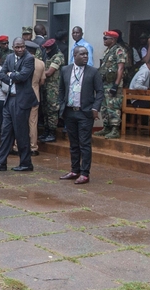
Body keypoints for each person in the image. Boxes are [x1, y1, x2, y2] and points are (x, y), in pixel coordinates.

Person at [0, 37, 37, 172]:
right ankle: (1, 162)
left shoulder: (29, 58)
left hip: (22, 100)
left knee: (21, 132)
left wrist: (11, 74)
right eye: (17, 47)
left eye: (22, 47)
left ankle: (26, 163)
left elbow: (23, 77)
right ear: (13, 47)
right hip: (9, 99)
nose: (20, 49)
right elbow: (1, 75)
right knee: (5, 132)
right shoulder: (9, 58)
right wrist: (13, 75)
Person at [59, 46, 104, 184]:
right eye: (82, 54)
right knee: (73, 143)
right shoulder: (65, 70)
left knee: (84, 143)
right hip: (69, 111)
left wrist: (95, 108)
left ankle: (85, 173)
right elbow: (61, 89)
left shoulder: (93, 72)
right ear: (74, 55)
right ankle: (74, 170)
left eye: (87, 54)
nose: (85, 56)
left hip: (85, 113)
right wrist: (61, 105)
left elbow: (100, 92)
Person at [95, 31, 125, 139]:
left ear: (113, 39)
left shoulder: (118, 51)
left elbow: (120, 68)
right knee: (104, 107)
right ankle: (106, 127)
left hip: (113, 84)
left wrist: (116, 85)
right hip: (105, 83)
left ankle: (115, 129)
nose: (104, 40)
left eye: (106, 38)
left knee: (113, 106)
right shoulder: (107, 51)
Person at [40, 39, 66, 142]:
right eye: (45, 49)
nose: (47, 51)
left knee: (52, 110)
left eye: (49, 49)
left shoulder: (58, 56)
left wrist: (38, 74)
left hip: (54, 88)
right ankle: (46, 130)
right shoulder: (49, 56)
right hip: (46, 87)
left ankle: (52, 132)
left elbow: (50, 72)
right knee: (46, 109)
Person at [27, 40, 46, 156]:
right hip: (35, 95)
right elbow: (42, 81)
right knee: (33, 122)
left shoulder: (22, 61)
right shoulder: (41, 63)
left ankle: (17, 146)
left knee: (21, 121)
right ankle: (33, 147)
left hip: (22, 96)